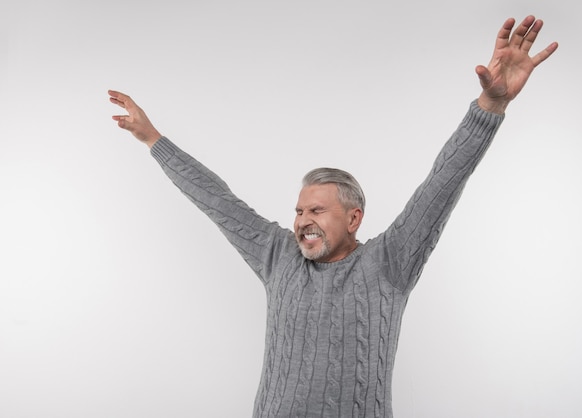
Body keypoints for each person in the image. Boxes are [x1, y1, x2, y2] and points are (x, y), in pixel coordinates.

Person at [109, 15, 557, 418]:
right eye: (299, 209)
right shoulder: (277, 255)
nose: (302, 218)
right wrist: (153, 139)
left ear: (354, 218)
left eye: (317, 210)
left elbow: (442, 184)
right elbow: (216, 199)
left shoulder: (390, 263)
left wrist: (490, 107)